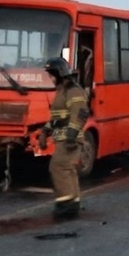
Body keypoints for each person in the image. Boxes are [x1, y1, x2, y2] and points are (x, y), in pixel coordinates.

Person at [40, 57, 90, 218]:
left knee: (58, 167)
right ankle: (72, 203)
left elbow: (79, 115)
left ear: (60, 74)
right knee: (67, 169)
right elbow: (58, 117)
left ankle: (66, 204)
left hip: (69, 138)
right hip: (62, 137)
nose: (51, 78)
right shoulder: (62, 91)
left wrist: (71, 137)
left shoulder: (73, 91)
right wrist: (44, 131)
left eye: (52, 75)